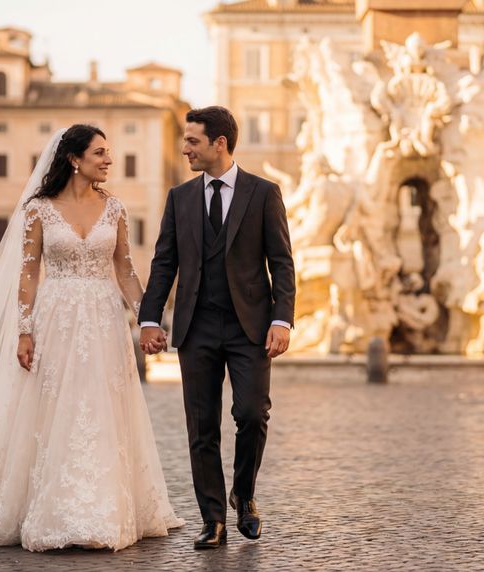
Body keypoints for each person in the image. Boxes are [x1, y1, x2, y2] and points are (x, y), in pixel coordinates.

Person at [0, 125, 183, 551]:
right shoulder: (39, 210)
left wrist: (147, 319)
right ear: (74, 160)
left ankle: (104, 506)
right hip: (55, 318)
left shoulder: (115, 209)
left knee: (101, 405)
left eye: (108, 153)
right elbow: (28, 274)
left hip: (103, 320)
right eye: (99, 152)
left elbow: (125, 269)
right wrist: (24, 330)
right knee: (53, 406)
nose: (108, 160)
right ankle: (50, 504)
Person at [139, 106, 297, 549]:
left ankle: (243, 495)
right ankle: (213, 520)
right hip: (197, 327)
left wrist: (281, 319)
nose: (185, 149)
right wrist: (150, 318)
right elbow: (164, 262)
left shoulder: (263, 193)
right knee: (201, 426)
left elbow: (282, 263)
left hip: (251, 327)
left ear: (219, 143)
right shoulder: (180, 198)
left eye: (192, 141)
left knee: (252, 414)